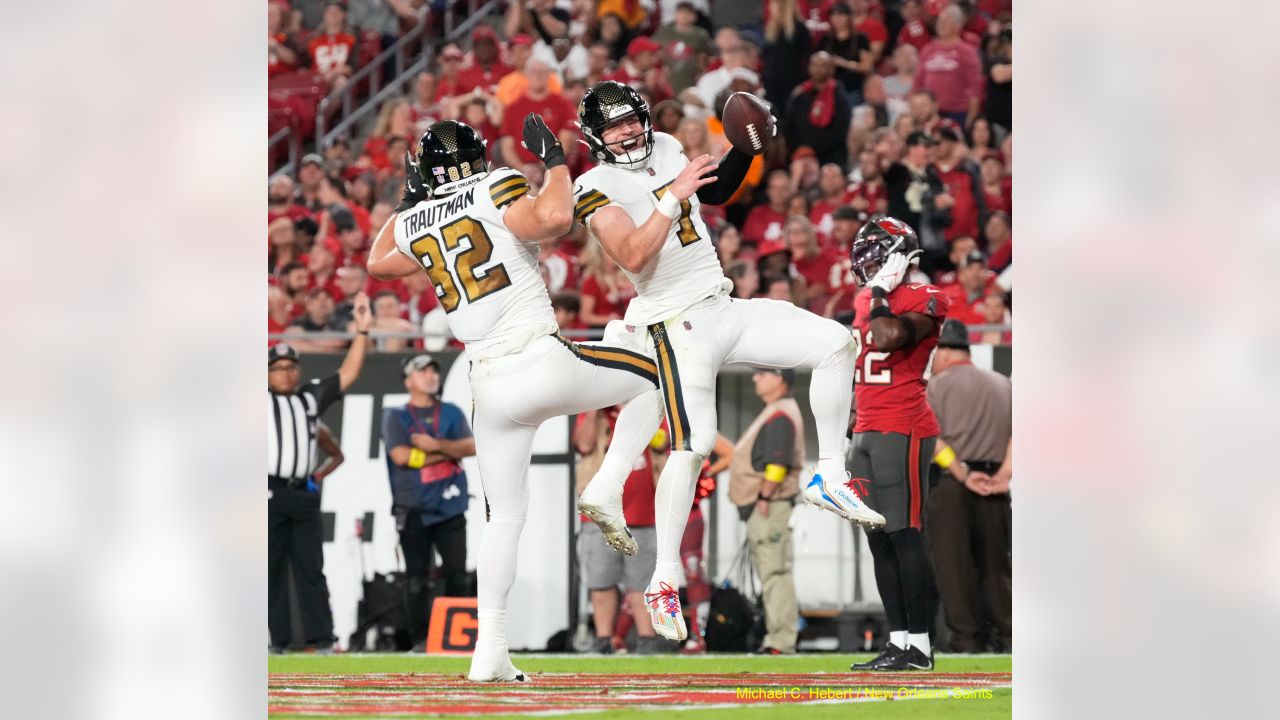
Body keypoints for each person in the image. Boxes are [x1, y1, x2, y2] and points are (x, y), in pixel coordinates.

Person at [570, 81, 884, 645]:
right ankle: (664, 579)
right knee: (694, 443)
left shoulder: (665, 145)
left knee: (836, 344)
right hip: (673, 318)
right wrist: (672, 194)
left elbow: (712, 196)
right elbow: (633, 255)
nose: (628, 132)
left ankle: (829, 475)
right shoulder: (593, 185)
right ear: (596, 137)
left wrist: (745, 148)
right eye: (614, 126)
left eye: (632, 119)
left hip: (720, 301)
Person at [365, 116, 662, 682]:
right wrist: (553, 160)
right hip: (537, 359)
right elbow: (554, 217)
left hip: (487, 385)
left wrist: (408, 200)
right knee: (655, 373)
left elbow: (378, 263)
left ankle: (489, 652)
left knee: (503, 517)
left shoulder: (418, 217)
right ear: (477, 156)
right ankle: (608, 481)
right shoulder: (491, 184)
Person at [844, 217, 950, 672]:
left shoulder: (926, 297)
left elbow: (888, 337)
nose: (866, 259)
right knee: (877, 540)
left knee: (904, 535)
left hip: (903, 426)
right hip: (866, 427)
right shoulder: (867, 297)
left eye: (875, 250)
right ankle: (898, 641)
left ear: (899, 254)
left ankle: (922, 647)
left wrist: (883, 294)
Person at [268, 294, 372, 653]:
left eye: (291, 367)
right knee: (270, 569)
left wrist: (361, 330)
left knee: (312, 568)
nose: (287, 372)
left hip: (303, 492)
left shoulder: (309, 398)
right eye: (278, 367)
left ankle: (323, 640)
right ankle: (277, 641)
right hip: (268, 492)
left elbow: (348, 373)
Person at [926, 319, 1012, 652]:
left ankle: (966, 642)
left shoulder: (935, 388)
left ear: (944, 352)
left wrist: (962, 472)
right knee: (997, 568)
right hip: (996, 486)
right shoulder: (1003, 385)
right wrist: (1004, 473)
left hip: (952, 486)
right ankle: (1007, 639)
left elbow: (933, 439)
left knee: (953, 570)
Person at [381, 354, 477, 652]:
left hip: (450, 506)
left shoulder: (451, 411)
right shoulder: (396, 416)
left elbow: (473, 446)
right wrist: (449, 452)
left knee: (457, 574)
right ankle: (421, 640)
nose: (431, 375)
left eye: (434, 370)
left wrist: (434, 446)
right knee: (416, 579)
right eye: (422, 371)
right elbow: (402, 457)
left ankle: (456, 638)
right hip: (413, 508)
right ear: (409, 380)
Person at [728, 367, 805, 654]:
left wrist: (763, 497)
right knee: (772, 572)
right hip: (767, 506)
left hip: (770, 506)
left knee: (775, 573)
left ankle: (781, 641)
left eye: (763, 373)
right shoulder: (776, 410)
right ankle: (778, 638)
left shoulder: (780, 415)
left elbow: (777, 463)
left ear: (780, 378)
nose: (755, 378)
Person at [573, 406, 662, 654]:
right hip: (601, 516)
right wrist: (593, 410)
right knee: (601, 581)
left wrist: (630, 411)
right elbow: (584, 444)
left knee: (642, 583)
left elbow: (664, 443)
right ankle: (604, 641)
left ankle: (647, 642)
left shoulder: (649, 410)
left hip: (644, 514)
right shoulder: (594, 413)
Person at [912, 4, 984, 127]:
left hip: (957, 113)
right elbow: (918, 83)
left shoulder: (967, 52)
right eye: (939, 20)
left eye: (946, 20)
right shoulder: (927, 50)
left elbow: (974, 89)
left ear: (958, 25)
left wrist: (971, 119)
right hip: (928, 113)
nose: (941, 24)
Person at [781, 52, 853, 168]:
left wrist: (814, 149)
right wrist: (799, 148)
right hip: (800, 154)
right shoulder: (800, 95)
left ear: (832, 70)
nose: (818, 69)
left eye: (823, 65)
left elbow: (840, 131)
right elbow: (789, 125)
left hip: (831, 157)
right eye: (814, 65)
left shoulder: (839, 97)